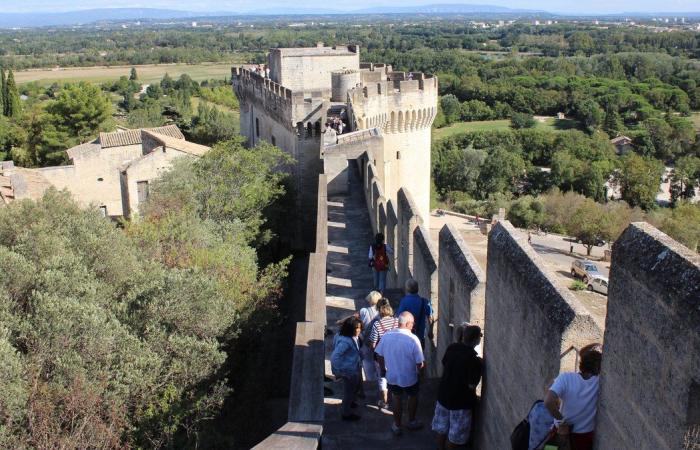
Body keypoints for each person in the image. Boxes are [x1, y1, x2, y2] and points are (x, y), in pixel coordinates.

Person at [432, 324, 483, 449]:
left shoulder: (452, 348)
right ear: (477, 339)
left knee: (441, 429)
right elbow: (471, 386)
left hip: (443, 396)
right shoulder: (474, 360)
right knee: (455, 437)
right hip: (460, 403)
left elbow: (444, 363)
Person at [544, 343, 602, 450]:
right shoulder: (598, 382)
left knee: (549, 448)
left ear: (581, 363)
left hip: (559, 433)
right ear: (599, 368)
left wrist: (561, 421)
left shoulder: (566, 378)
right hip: (583, 438)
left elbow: (548, 401)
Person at [375, 311, 425, 436]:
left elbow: (379, 354)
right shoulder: (413, 339)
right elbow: (420, 363)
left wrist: (383, 369)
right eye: (412, 323)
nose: (413, 325)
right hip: (410, 377)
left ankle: (397, 425)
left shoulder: (387, 336)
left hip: (392, 376)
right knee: (413, 397)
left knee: (397, 400)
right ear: (408, 324)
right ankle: (411, 421)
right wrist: (420, 373)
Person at [330, 317, 363, 421]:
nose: (359, 330)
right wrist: (338, 371)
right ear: (350, 329)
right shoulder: (346, 342)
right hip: (349, 370)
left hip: (353, 367)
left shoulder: (341, 335)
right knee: (348, 392)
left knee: (354, 388)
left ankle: (351, 403)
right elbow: (335, 357)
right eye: (356, 328)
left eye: (359, 328)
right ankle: (346, 413)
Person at [368, 298, 399, 408]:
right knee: (394, 374)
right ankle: (395, 398)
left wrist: (374, 352)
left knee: (382, 376)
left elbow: (373, 344)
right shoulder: (397, 321)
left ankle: (384, 401)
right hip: (395, 354)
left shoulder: (377, 324)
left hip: (381, 356)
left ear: (381, 312)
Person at [397, 278, 433, 348]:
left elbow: (399, 317)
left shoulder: (404, 301)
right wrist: (430, 331)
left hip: (407, 336)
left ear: (407, 289)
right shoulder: (424, 301)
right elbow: (431, 317)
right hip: (420, 337)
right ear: (417, 289)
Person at [359, 291, 381, 390]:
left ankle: (370, 383)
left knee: (367, 362)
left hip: (366, 340)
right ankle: (379, 383)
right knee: (378, 363)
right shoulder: (382, 312)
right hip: (378, 341)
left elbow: (361, 324)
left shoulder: (364, 311)